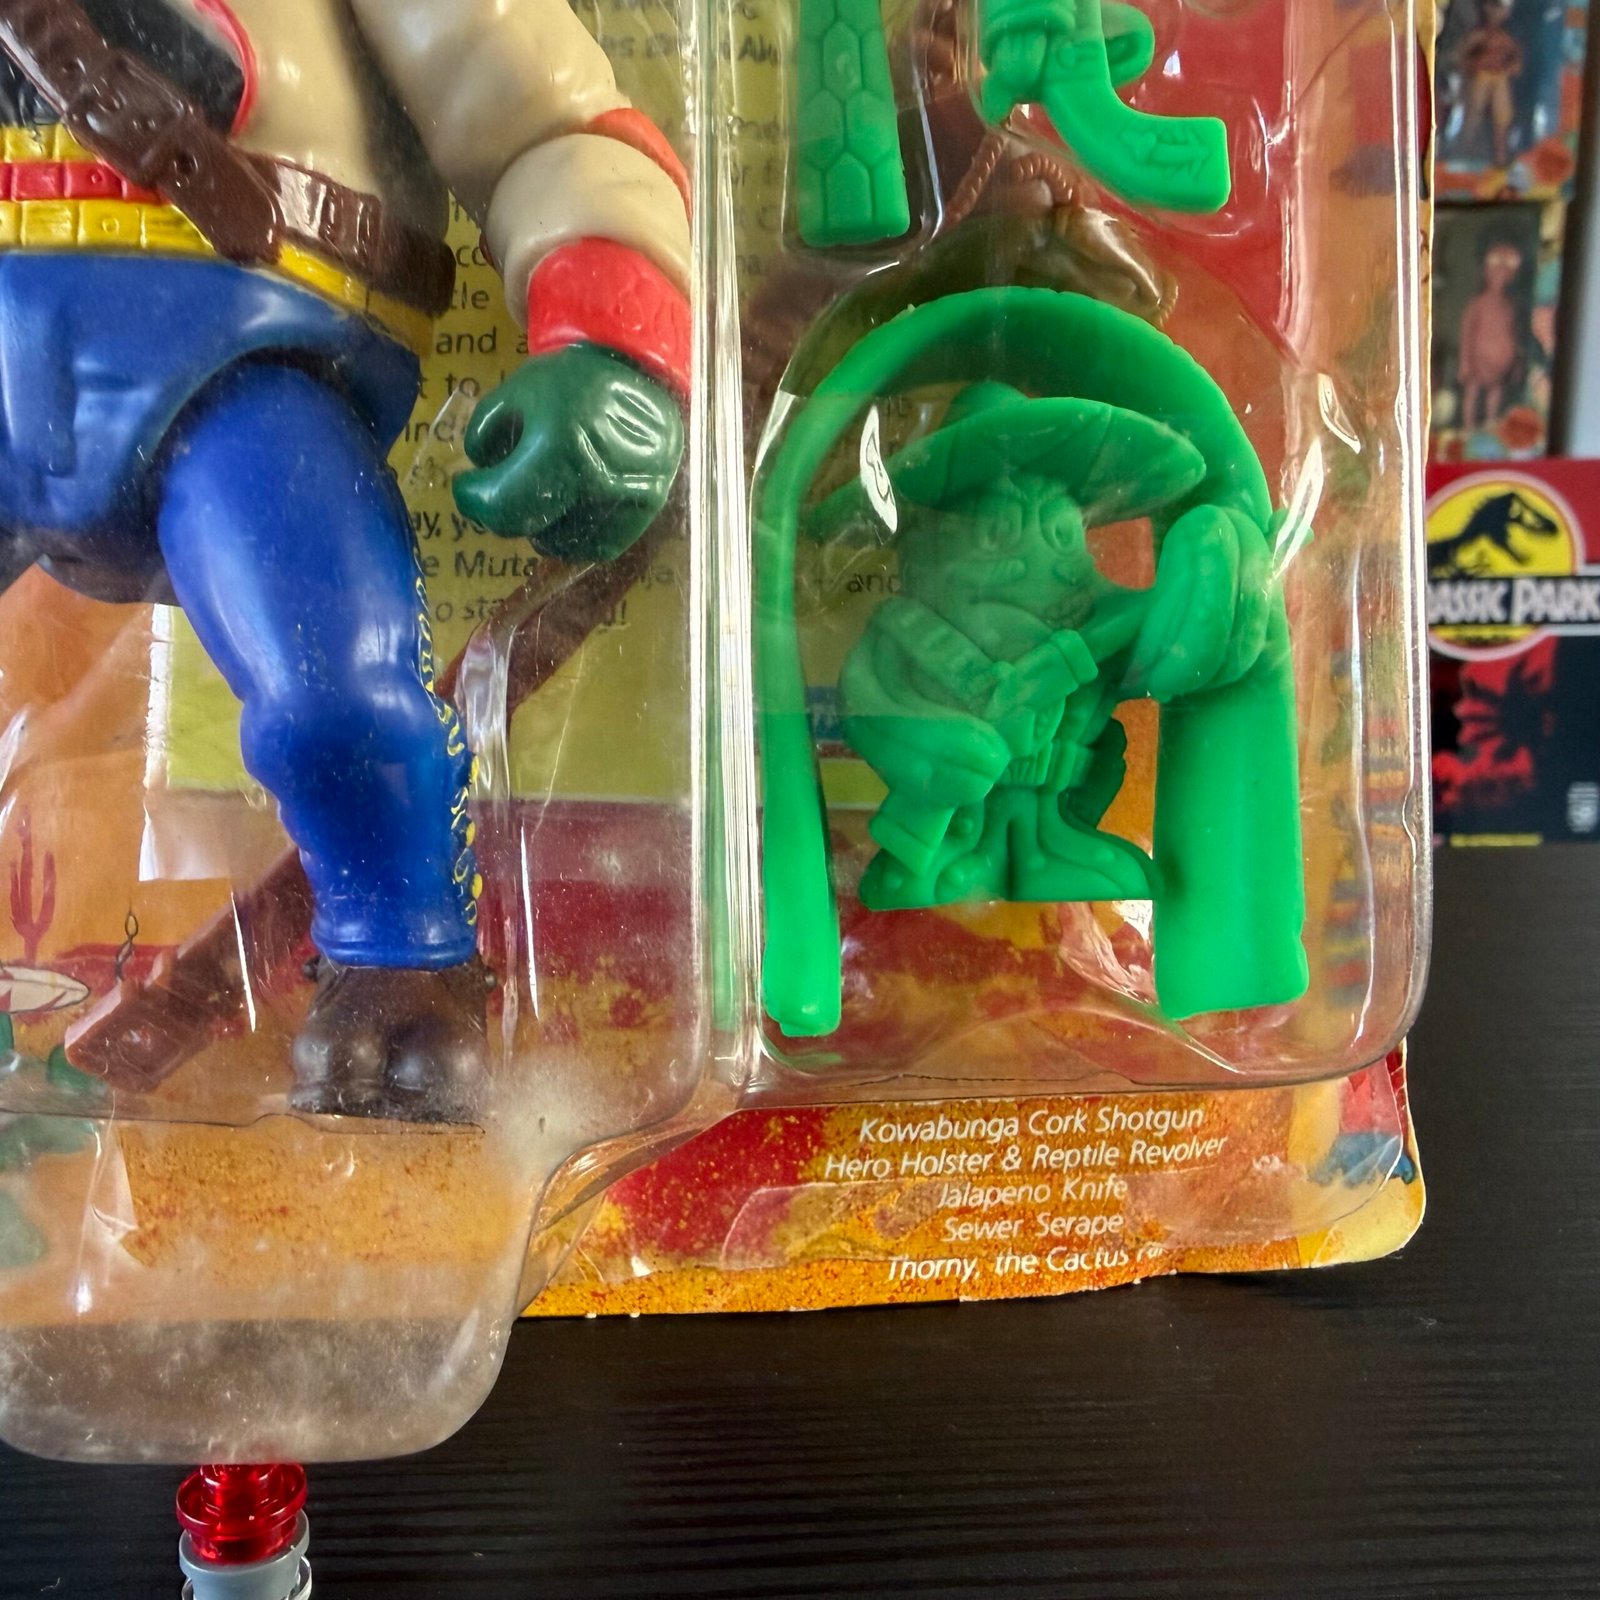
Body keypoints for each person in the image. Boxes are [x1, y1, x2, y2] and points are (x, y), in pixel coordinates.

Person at [0, 0, 691, 1118]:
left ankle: (401, 961)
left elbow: (537, 114)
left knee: (337, 692)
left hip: (245, 346)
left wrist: (607, 337)